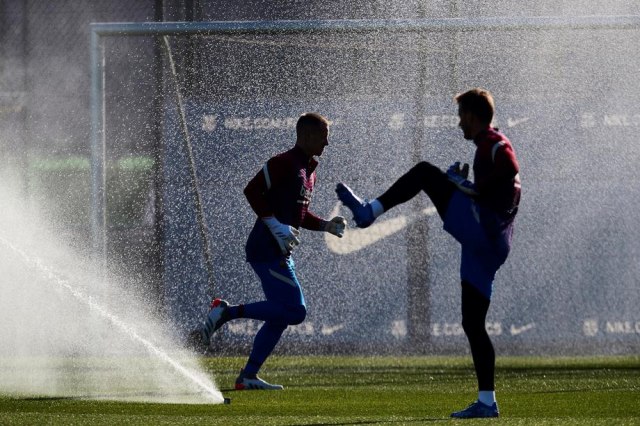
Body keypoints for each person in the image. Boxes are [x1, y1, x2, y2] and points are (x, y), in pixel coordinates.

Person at [336, 88, 520, 418]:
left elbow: (508, 167)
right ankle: (487, 402)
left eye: (461, 116)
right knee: (472, 323)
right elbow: (501, 186)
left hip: (483, 231)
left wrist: (473, 189)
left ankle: (369, 211)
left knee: (424, 172)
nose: (459, 123)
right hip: (491, 244)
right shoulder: (489, 144)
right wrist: (468, 186)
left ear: (472, 116)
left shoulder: (493, 141)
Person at [198, 112, 346, 390]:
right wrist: (274, 224)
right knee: (296, 311)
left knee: (281, 315)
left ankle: (248, 376)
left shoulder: (308, 170)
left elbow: (298, 214)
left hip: (279, 251)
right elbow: (251, 190)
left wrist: (325, 225)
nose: (327, 143)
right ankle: (225, 312)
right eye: (323, 137)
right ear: (307, 136)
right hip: (265, 248)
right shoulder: (284, 162)